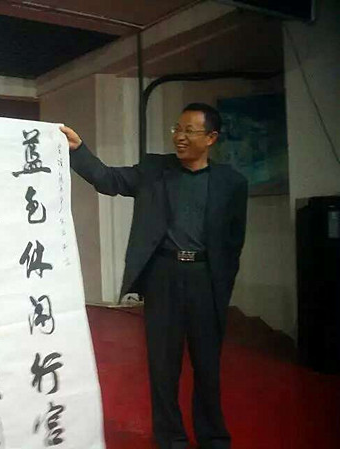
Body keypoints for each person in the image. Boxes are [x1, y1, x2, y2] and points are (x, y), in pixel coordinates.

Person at [61, 103, 248, 449]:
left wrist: (222, 284)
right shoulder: (154, 170)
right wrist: (78, 151)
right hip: (163, 276)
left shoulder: (232, 183)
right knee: (163, 366)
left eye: (189, 130)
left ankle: (213, 437)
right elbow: (109, 180)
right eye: (177, 129)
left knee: (208, 366)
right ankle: (170, 438)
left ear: (211, 138)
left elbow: (234, 240)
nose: (180, 137)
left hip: (205, 279)